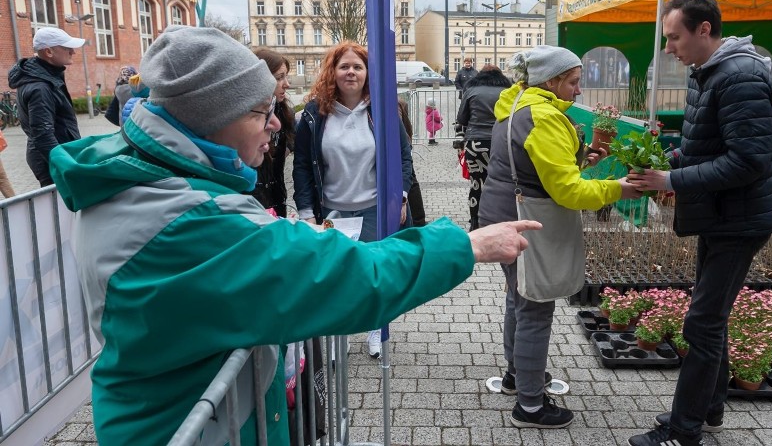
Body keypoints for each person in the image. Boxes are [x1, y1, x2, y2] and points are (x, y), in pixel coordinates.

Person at [48, 25, 540, 446]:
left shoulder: (142, 177)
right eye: (262, 111)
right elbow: (346, 276)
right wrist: (467, 245)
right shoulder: (190, 221)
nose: (276, 123)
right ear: (213, 118)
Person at [626, 0, 772, 446]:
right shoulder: (708, 72)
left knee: (702, 323)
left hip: (741, 219)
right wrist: (664, 161)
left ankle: (684, 430)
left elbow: (748, 161)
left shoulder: (741, 77)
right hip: (720, 215)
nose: (669, 48)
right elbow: (704, 147)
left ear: (704, 30)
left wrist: (671, 181)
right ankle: (708, 409)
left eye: (674, 38)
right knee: (712, 318)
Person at [478, 45, 640, 430]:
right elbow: (568, 192)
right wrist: (617, 188)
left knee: (519, 298)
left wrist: (582, 160)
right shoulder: (545, 117)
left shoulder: (514, 105)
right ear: (550, 81)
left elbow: (536, 165)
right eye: (573, 81)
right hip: (527, 220)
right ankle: (530, 406)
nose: (578, 90)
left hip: (501, 216)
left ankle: (518, 377)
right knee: (536, 306)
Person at [293, 40, 414, 359]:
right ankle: (340, 333)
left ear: (368, 73)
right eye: (344, 66)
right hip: (332, 209)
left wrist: (400, 196)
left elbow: (403, 156)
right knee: (337, 276)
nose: (350, 72)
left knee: (373, 274)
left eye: (357, 67)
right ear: (332, 71)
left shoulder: (384, 109)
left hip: (374, 208)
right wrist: (306, 211)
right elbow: (302, 164)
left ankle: (376, 328)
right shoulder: (314, 112)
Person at [8, 27, 84, 186]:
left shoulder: (45, 76)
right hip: (52, 161)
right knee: (59, 208)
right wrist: (67, 166)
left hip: (56, 154)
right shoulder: (40, 87)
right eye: (67, 48)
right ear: (49, 52)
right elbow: (43, 134)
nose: (73, 52)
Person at [455, 63, 511, 230]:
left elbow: (462, 119)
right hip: (502, 142)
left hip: (476, 143)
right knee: (502, 183)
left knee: (477, 183)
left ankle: (475, 223)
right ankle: (501, 222)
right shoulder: (508, 92)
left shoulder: (471, 91)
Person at [249, 48, 296, 217]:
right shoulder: (245, 119)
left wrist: (285, 149)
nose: (287, 84)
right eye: (279, 78)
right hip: (254, 205)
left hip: (277, 199)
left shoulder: (285, 113)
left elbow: (292, 137)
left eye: (286, 76)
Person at [398, 98, 427, 226]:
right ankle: (419, 221)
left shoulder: (395, 104)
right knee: (411, 180)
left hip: (400, 148)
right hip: (404, 145)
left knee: (410, 179)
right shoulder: (399, 102)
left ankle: (418, 221)